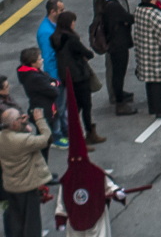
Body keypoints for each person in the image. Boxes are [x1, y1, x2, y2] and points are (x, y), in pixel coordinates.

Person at [49, 12, 101, 145]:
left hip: (67, 77)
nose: (74, 24)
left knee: (74, 107)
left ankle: (77, 135)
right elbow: (88, 53)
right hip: (79, 75)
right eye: (73, 21)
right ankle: (88, 134)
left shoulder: (55, 38)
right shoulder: (72, 40)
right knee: (86, 106)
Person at [0, 106, 52, 236]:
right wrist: (40, 120)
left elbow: (16, 131)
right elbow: (46, 138)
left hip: (11, 186)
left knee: (17, 222)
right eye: (20, 118)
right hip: (27, 188)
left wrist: (22, 124)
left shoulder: (2, 137)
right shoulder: (22, 141)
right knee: (31, 223)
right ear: (15, 124)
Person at [98, 0, 135, 116]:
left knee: (118, 73)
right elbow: (128, 18)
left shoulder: (105, 4)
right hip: (118, 44)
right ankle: (120, 103)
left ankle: (120, 95)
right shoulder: (113, 6)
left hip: (114, 43)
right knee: (119, 74)